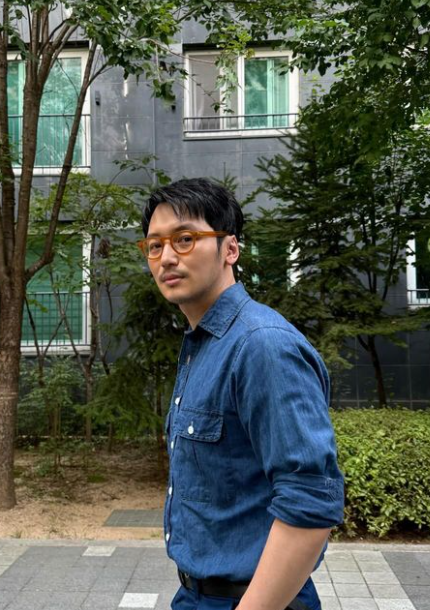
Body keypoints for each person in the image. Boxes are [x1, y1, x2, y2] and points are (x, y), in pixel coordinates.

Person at [137, 178, 344, 610]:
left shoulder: (261, 345)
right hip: (195, 593)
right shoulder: (204, 345)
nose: (167, 257)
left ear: (230, 249)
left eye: (185, 239)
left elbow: (310, 502)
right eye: (155, 246)